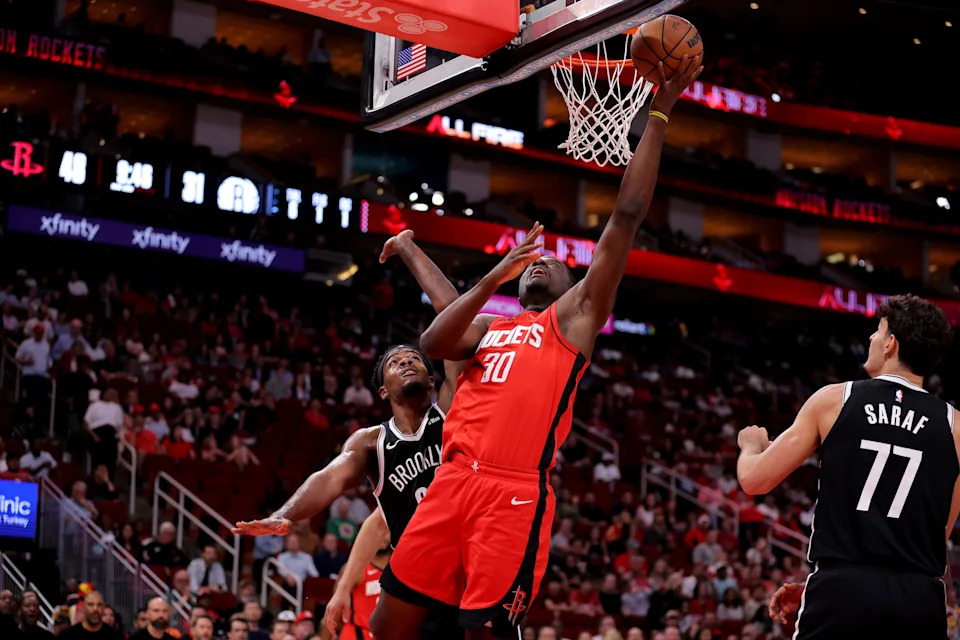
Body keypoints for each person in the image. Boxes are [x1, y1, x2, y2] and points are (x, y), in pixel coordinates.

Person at [370, 55, 703, 640]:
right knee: (387, 621)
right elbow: (436, 334)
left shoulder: (571, 321)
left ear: (577, 290)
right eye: (531, 261)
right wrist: (439, 260)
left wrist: (658, 113)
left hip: (513, 492)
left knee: (486, 631)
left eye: (553, 261)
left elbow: (625, 215)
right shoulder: (488, 330)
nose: (540, 261)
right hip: (451, 482)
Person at [235, 232, 465, 638]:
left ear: (432, 379)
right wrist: (284, 515)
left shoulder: (451, 410)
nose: (408, 360)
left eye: (415, 358)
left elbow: (454, 314)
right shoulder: (370, 442)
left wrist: (410, 251)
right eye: (397, 362)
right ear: (382, 389)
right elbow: (330, 477)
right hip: (416, 572)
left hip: (467, 561)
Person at [738, 294, 959, 638]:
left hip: (840, 591)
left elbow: (754, 480)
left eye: (877, 330)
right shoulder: (955, 426)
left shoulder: (835, 399)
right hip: (918, 599)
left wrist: (750, 446)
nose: (871, 338)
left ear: (890, 344)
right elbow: (939, 532)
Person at [331, 546, 390, 640]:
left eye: (387, 532)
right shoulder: (354, 568)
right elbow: (334, 612)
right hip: (357, 633)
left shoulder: (400, 569)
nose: (384, 536)